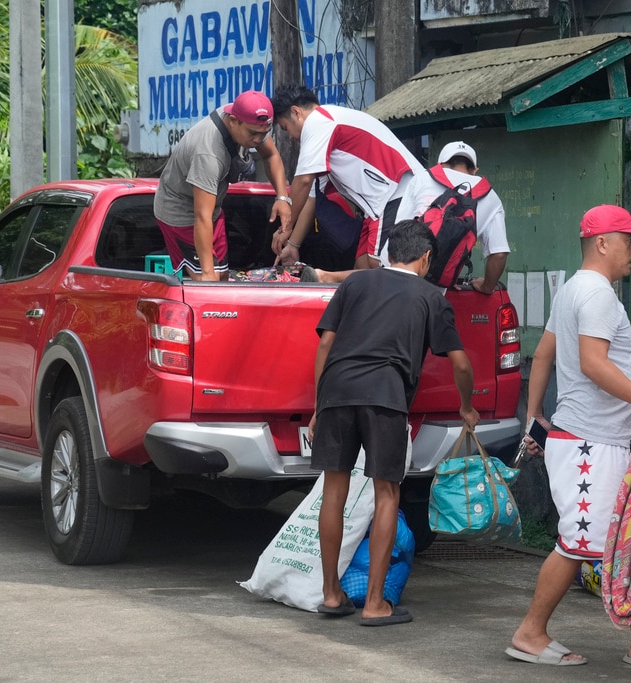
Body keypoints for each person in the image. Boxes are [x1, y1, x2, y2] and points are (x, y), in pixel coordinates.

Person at [507, 204, 631, 667]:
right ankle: (530, 633)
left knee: (616, 541)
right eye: (629, 240)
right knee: (578, 541)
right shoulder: (597, 295)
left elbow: (546, 353)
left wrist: (535, 416)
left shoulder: (573, 289)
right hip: (588, 445)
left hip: (589, 439)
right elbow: (593, 364)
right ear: (602, 242)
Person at [308, 220, 480, 626]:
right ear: (425, 259)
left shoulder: (354, 284)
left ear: (387, 252)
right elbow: (459, 362)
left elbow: (327, 343)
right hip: (385, 395)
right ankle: (373, 604)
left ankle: (332, 595)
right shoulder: (430, 296)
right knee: (387, 494)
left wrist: (320, 405)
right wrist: (467, 405)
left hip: (336, 390)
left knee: (334, 491)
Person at [271, 85, 423, 269]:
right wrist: (293, 245)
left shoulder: (318, 122)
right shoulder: (326, 128)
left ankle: (324, 278)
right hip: (379, 204)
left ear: (296, 112)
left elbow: (302, 181)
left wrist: (285, 228)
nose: (289, 137)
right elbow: (310, 198)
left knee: (379, 265)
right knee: (361, 265)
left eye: (285, 128)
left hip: (397, 193)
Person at [153, 90, 293, 281]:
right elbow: (201, 216)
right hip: (181, 213)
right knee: (208, 281)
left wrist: (282, 197)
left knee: (224, 277)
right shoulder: (209, 153)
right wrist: (207, 274)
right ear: (234, 121)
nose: (258, 140)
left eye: (264, 134)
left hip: (213, 210)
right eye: (253, 134)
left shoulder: (251, 122)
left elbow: (271, 155)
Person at [392, 141, 510, 294]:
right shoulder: (490, 197)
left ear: (440, 164)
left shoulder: (421, 179)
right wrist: (486, 287)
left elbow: (398, 229)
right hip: (436, 288)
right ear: (474, 170)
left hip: (400, 277)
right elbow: (499, 254)